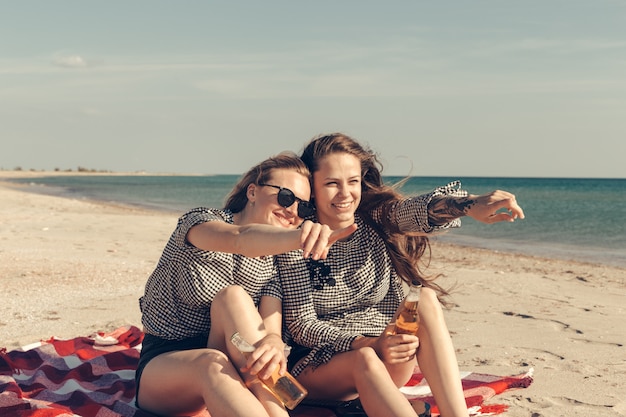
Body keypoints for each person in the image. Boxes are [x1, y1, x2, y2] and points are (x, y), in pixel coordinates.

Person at [276, 133, 525, 417]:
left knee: (425, 299)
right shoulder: (295, 239)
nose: (345, 194)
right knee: (364, 358)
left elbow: (414, 210)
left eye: (353, 182)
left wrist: (469, 205)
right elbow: (301, 326)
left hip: (388, 353)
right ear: (313, 188)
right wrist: (368, 343)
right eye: (332, 183)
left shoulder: (374, 220)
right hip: (319, 368)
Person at [135, 152, 356, 417]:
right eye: (286, 197)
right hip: (165, 366)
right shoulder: (200, 223)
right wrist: (299, 238)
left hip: (230, 362)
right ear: (252, 192)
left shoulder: (278, 258)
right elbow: (240, 239)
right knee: (212, 361)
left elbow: (270, 325)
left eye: (304, 207)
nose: (293, 211)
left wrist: (273, 342)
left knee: (234, 299)